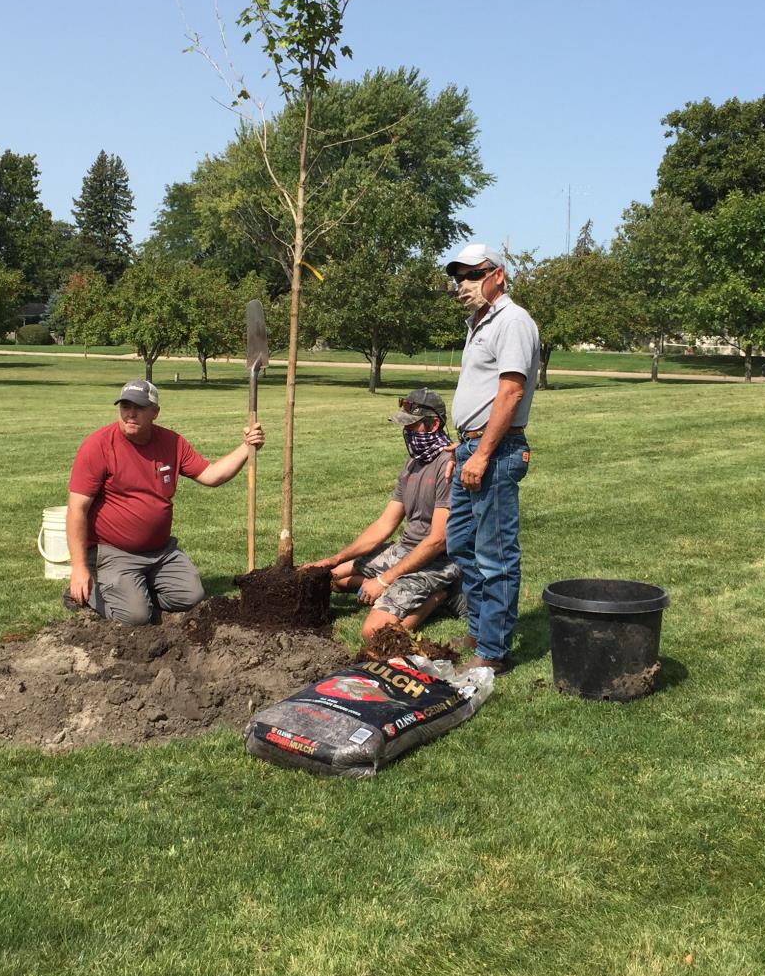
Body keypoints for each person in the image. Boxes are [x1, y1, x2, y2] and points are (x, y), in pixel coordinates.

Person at [65, 379, 263, 624]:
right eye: (125, 407)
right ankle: (89, 589)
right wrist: (79, 568)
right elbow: (77, 509)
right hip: (116, 551)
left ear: (155, 412)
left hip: (161, 551)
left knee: (192, 597)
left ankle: (135, 589)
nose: (131, 414)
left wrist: (247, 447)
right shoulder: (98, 446)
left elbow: (211, 476)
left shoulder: (172, 442)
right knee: (136, 617)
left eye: (139, 407)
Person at [443, 243, 540, 674]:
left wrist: (481, 453)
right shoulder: (478, 323)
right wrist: (461, 444)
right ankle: (481, 628)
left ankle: (494, 652)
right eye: (457, 278)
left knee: (495, 553)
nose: (462, 284)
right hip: (471, 446)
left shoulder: (513, 321)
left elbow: (511, 391)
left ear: (497, 273)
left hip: (495, 451)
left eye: (470, 275)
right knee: (459, 542)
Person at [302, 388, 465, 641]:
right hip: (406, 549)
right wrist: (335, 559)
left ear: (433, 425)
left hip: (437, 561)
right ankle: (388, 587)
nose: (407, 433)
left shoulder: (448, 466)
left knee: (375, 633)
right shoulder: (413, 463)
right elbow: (384, 524)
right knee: (329, 580)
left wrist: (384, 580)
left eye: (412, 427)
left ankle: (439, 597)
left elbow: (438, 540)